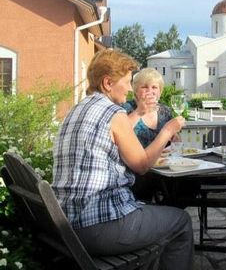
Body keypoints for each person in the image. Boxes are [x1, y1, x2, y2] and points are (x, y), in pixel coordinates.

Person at [52, 49, 193, 269]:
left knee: (154, 213)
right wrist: (167, 131)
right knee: (181, 222)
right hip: (97, 225)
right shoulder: (113, 113)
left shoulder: (76, 109)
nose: (130, 89)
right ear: (108, 83)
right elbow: (142, 165)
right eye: (127, 82)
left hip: (66, 221)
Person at [123, 68, 179, 201]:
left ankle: (167, 211)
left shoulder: (165, 111)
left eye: (154, 87)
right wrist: (139, 111)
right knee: (145, 184)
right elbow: (121, 132)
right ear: (135, 90)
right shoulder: (126, 109)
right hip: (137, 170)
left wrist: (175, 139)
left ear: (160, 91)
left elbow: (173, 142)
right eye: (144, 87)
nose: (150, 91)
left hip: (162, 167)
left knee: (189, 185)